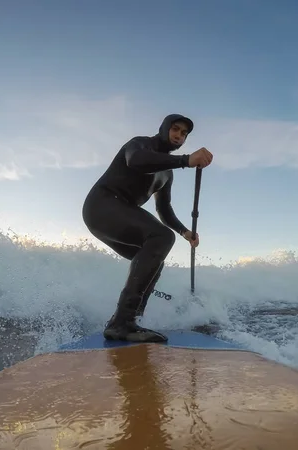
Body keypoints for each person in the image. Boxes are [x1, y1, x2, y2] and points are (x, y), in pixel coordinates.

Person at [81, 114, 213, 342]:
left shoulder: (166, 173)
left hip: (118, 214)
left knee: (154, 259)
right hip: (102, 205)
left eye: (184, 134)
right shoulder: (140, 144)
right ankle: (121, 323)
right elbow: (136, 161)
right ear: (163, 128)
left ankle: (133, 320)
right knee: (161, 237)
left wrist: (185, 232)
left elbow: (164, 211)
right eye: (175, 129)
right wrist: (185, 160)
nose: (179, 135)